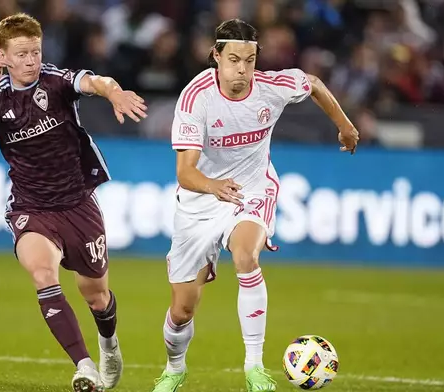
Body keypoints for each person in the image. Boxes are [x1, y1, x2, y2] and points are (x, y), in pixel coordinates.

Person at [151, 19, 358, 392]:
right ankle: (175, 368)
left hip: (251, 189)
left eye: (249, 60)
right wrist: (213, 187)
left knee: (246, 256)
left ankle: (254, 368)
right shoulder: (195, 97)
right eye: (233, 59)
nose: (242, 70)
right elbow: (185, 172)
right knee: (182, 309)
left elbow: (313, 83)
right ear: (215, 56)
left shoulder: (270, 88)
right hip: (201, 199)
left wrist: (344, 125)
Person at [0, 13, 147, 392]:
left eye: (35, 51)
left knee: (95, 295)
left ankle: (108, 345)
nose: (30, 60)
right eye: (22, 53)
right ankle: (84, 367)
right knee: (43, 274)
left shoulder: (56, 82)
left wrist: (113, 92)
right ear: (3, 55)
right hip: (30, 207)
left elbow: (93, 80)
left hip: (77, 204)